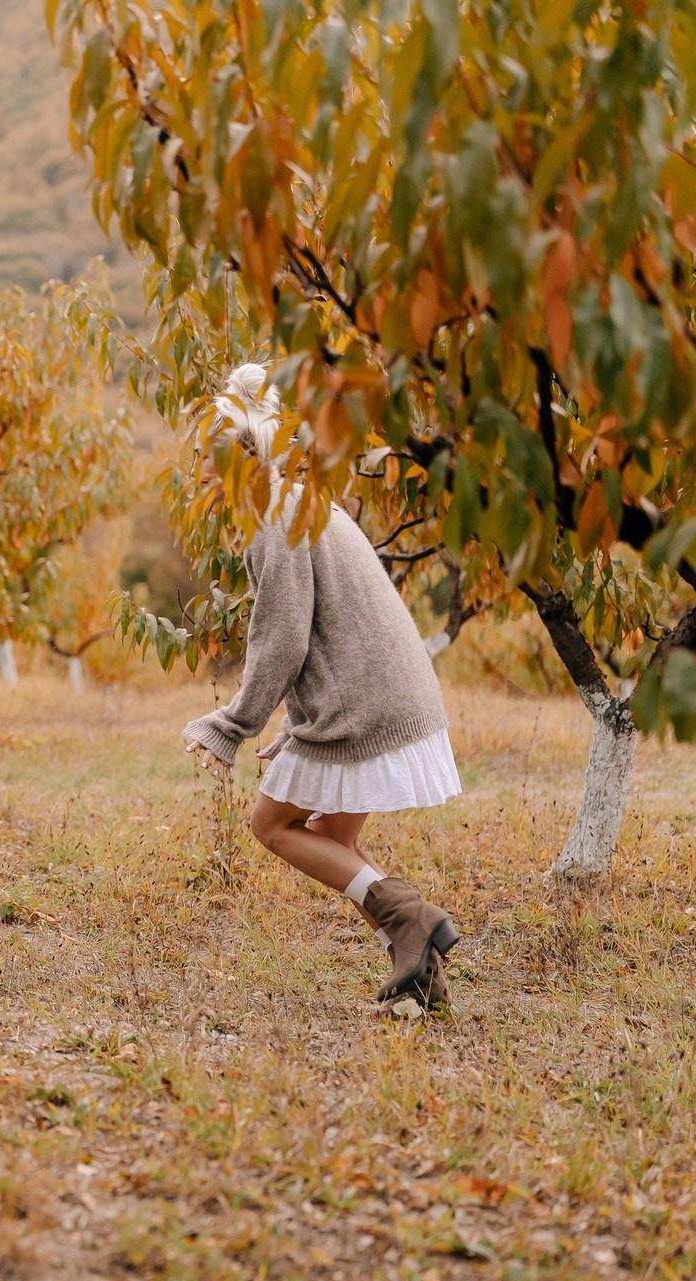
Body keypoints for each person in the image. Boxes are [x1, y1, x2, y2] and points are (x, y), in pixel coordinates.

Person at [181, 364, 463, 1009]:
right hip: (390, 691)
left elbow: (282, 638)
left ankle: (410, 917)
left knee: (272, 824)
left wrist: (233, 723)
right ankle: (419, 977)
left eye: (208, 453)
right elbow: (326, 631)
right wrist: (294, 727)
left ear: (243, 452)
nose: (199, 467)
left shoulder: (276, 517)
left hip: (367, 702)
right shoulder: (300, 500)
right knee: (334, 839)